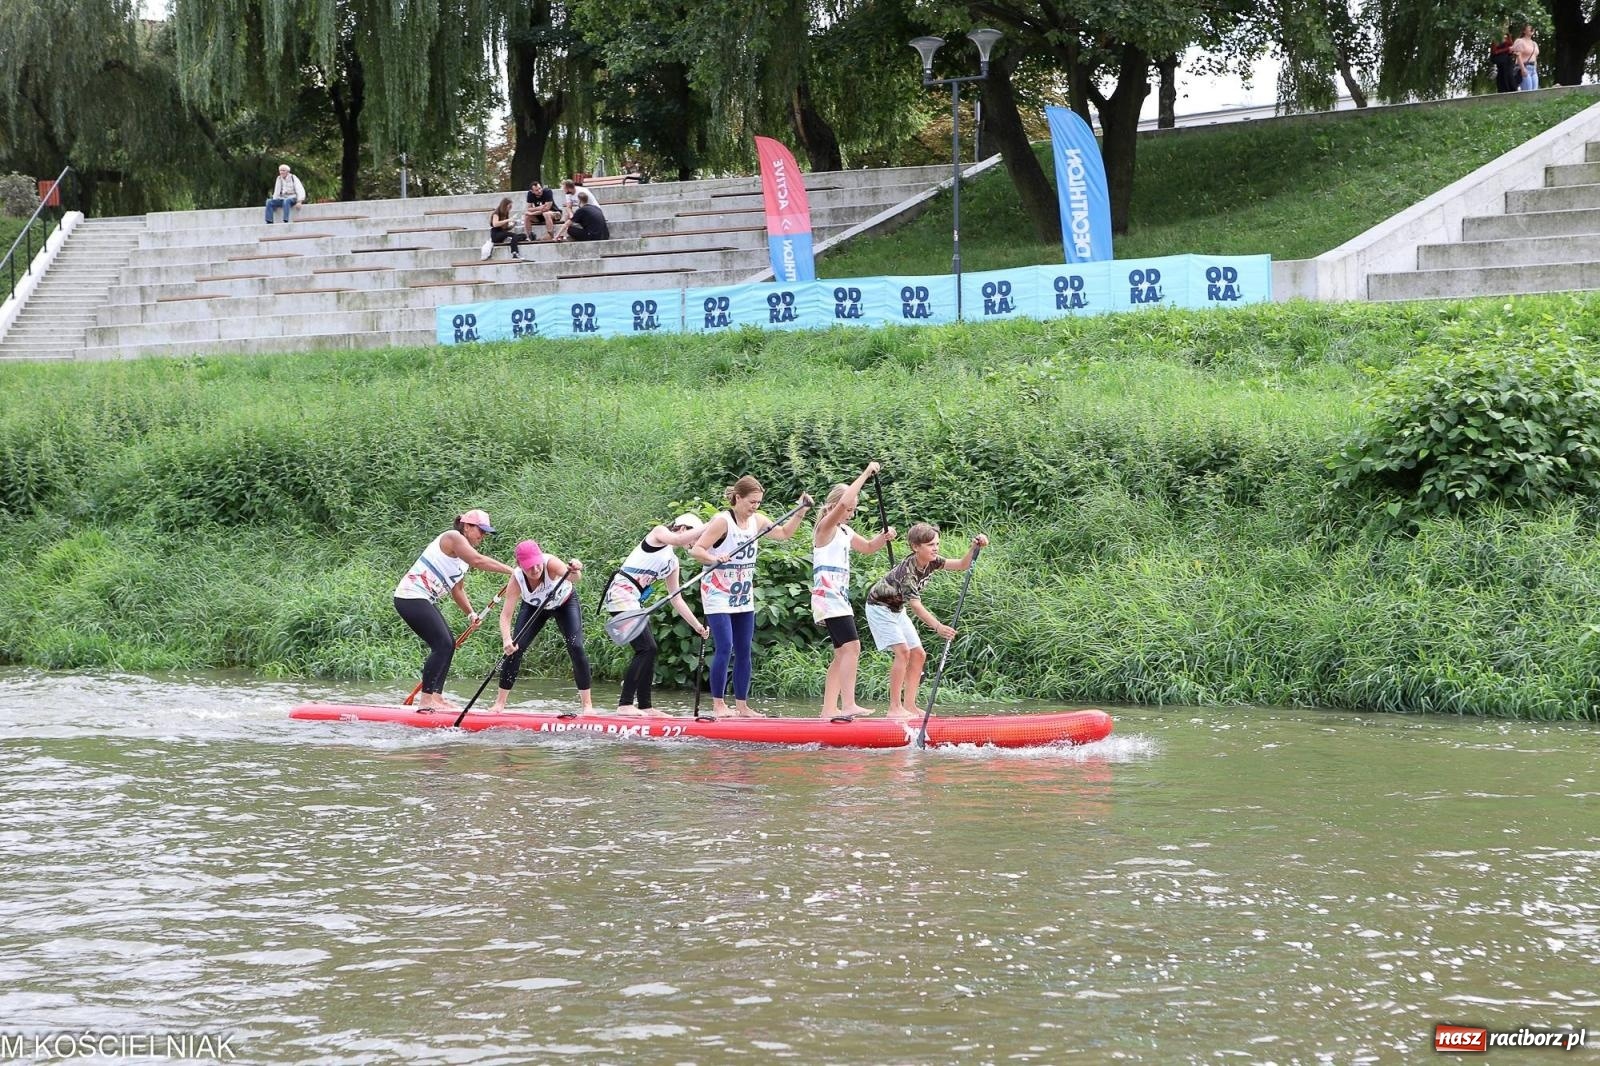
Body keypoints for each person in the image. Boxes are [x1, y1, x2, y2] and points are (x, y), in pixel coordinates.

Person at [691, 477, 813, 718]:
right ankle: (718, 705)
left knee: (744, 649)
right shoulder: (722, 521)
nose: (755, 507)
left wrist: (801, 511)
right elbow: (697, 550)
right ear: (737, 498)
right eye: (751, 502)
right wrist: (714, 559)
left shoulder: (758, 520)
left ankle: (742, 706)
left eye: (758, 502)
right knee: (725, 646)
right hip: (717, 592)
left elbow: (784, 534)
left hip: (742, 595)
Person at [393, 509, 515, 711]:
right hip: (410, 596)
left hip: (423, 599)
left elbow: (457, 590)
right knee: (442, 644)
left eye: (485, 533)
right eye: (480, 531)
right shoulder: (453, 537)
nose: (482, 536)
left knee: (448, 644)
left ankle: (436, 698)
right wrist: (512, 571)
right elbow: (478, 560)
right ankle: (426, 702)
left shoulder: (461, 561)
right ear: (466, 526)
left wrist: (471, 613)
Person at [864, 524, 989, 720]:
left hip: (896, 609)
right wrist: (938, 626)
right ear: (915, 547)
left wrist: (975, 548)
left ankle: (910, 706)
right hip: (879, 609)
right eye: (930, 544)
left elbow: (961, 565)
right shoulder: (907, 573)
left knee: (919, 654)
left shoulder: (932, 561)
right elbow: (916, 606)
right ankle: (894, 708)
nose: (936, 548)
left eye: (937, 544)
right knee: (903, 652)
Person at [601, 514, 711, 716]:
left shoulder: (673, 562)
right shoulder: (659, 533)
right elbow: (677, 540)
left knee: (649, 650)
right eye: (694, 536)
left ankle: (645, 706)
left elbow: (676, 598)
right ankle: (625, 704)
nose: (695, 542)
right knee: (646, 649)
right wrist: (710, 525)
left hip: (634, 601)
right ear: (682, 528)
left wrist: (697, 626)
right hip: (620, 593)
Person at [811, 462, 896, 718]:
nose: (850, 512)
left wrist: (884, 538)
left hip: (839, 597)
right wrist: (867, 473)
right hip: (828, 596)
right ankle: (848, 704)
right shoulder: (824, 527)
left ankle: (828, 709)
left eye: (853, 509)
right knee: (853, 647)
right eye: (849, 508)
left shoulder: (845, 531)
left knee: (841, 653)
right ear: (836, 506)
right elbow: (846, 499)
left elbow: (869, 547)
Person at [489, 540, 593, 713]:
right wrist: (507, 639)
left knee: (576, 646)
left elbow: (575, 579)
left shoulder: (551, 563)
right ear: (519, 565)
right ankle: (499, 704)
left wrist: (575, 568)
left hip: (565, 604)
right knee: (514, 649)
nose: (536, 569)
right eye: (529, 567)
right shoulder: (516, 579)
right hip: (534, 608)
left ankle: (587, 706)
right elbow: (506, 615)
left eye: (537, 564)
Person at [1512, 24, 1539, 90]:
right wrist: (1523, 69)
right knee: (1528, 91)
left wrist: (1535, 69)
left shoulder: (1534, 43)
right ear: (1524, 31)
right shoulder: (1520, 41)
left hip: (1533, 69)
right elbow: (1518, 56)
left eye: (1532, 28)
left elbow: (1535, 57)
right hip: (1524, 67)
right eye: (1529, 28)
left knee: (1535, 91)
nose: (1532, 29)